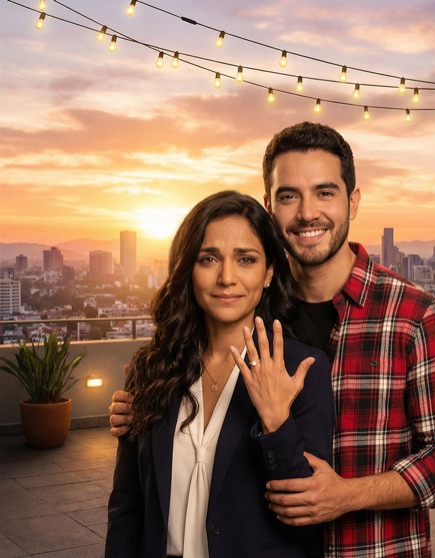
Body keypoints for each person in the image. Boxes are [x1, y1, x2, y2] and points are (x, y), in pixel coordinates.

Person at [110, 122, 435, 558]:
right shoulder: (250, 313)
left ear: (352, 201)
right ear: (269, 206)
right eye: (289, 195)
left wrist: (347, 495)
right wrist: (154, 405)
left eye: (325, 192)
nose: (307, 213)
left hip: (372, 548)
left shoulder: (413, 316)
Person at [105, 191, 333, 557]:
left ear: (269, 272)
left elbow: (307, 519)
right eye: (209, 258)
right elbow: (127, 505)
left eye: (246, 259)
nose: (227, 277)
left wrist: (276, 421)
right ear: (187, 269)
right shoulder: (152, 368)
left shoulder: (303, 369)